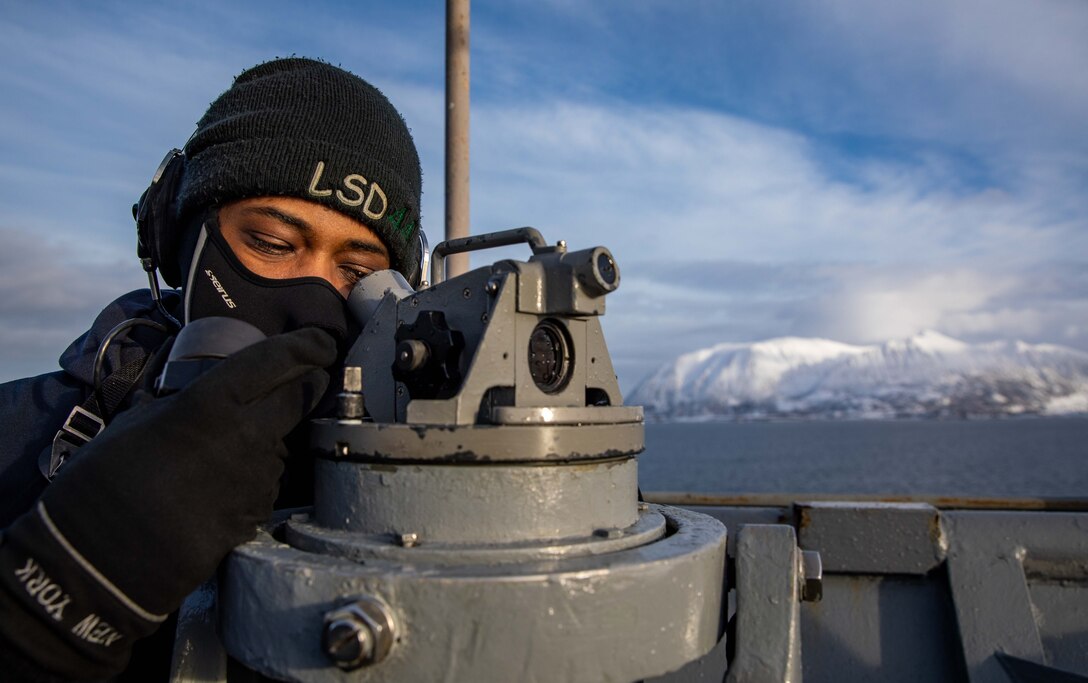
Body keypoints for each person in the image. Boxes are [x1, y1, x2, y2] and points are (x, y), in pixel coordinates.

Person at [0, 57, 423, 681]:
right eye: (274, 244)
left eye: (359, 275)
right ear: (179, 237)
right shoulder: (16, 436)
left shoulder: (420, 483)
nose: (312, 302)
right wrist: (45, 613)